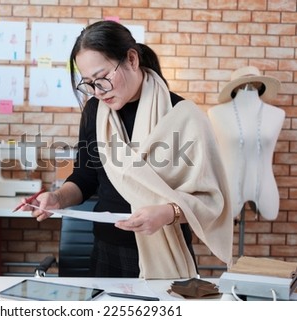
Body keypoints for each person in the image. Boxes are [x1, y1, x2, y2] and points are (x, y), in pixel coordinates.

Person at [20, 20, 233, 279]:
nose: (98, 92)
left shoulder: (183, 116)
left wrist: (167, 213)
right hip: (106, 252)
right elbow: (85, 178)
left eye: (102, 78)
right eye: (88, 82)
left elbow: (211, 201)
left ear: (132, 59)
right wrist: (58, 198)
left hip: (165, 253)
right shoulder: (95, 112)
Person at [208, 66, 285, 220]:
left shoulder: (277, 114)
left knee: (270, 213)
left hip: (265, 186)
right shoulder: (216, 113)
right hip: (230, 185)